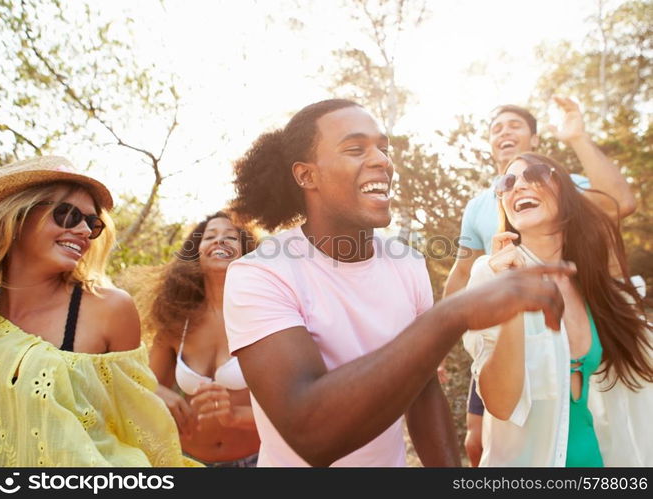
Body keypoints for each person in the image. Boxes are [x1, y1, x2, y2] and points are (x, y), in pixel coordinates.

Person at [221, 98, 575, 467]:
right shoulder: (260, 274)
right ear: (306, 175)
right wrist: (453, 314)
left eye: (383, 149)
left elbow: (423, 391)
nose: (382, 161)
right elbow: (311, 435)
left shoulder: (407, 263)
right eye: (356, 149)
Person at [442, 97, 636, 466]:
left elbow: (620, 202)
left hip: (590, 451)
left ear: (534, 137)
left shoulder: (585, 275)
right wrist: (435, 335)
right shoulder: (480, 210)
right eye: (496, 128)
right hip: (498, 321)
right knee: (479, 439)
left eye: (514, 125)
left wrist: (578, 138)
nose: (519, 187)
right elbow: (463, 272)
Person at [0, 155, 197, 466]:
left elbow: (140, 429)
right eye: (66, 214)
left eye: (93, 223)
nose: (84, 231)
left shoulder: (110, 309)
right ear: (17, 216)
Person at [141, 211, 261, 467]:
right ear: (197, 251)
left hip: (257, 460)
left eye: (231, 237)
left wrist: (236, 416)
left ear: (247, 251)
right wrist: (160, 392)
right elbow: (145, 385)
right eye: (210, 236)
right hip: (184, 459)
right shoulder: (176, 321)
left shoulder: (265, 316)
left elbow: (293, 410)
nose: (220, 241)